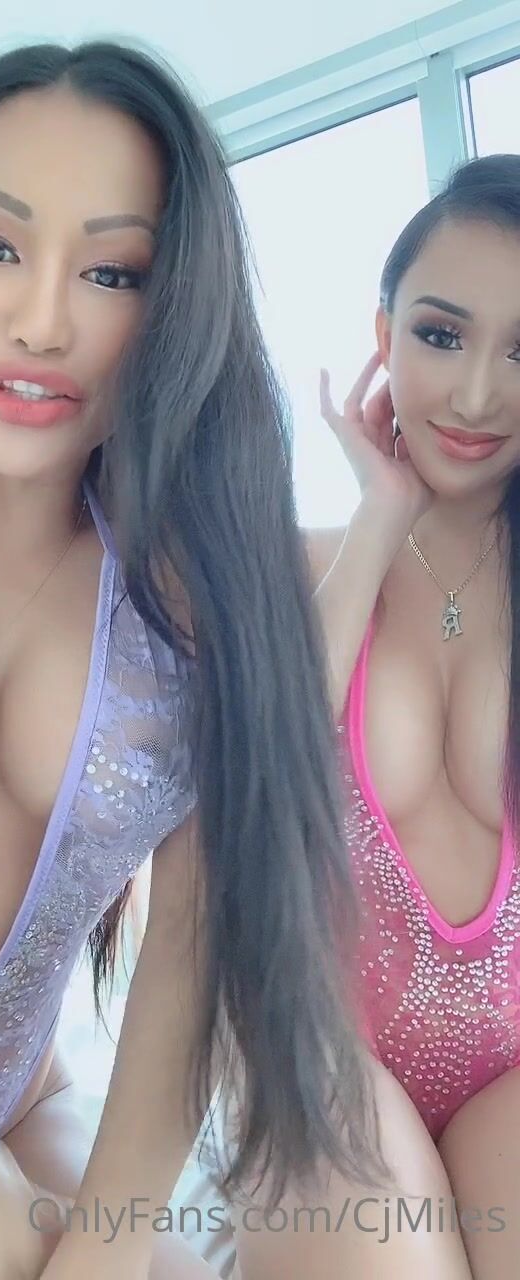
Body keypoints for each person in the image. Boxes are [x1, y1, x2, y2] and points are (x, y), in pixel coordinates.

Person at [0, 40, 379, 1280]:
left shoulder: (196, 596)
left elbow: (189, 948)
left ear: (175, 314)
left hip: (20, 1110)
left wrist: (111, 1243)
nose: (44, 320)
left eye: (114, 270)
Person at [227, 154, 520, 1280]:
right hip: (323, 1048)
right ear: (383, 332)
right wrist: (380, 515)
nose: (478, 395)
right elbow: (259, 792)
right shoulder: (297, 567)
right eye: (442, 334)